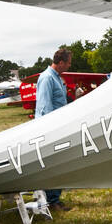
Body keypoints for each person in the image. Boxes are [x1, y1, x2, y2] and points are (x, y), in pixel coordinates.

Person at [36, 46, 72, 212]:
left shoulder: (57, 78)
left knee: (60, 163)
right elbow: (44, 108)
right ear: (61, 62)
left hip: (59, 126)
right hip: (50, 129)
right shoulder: (47, 78)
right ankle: (52, 200)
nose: (69, 66)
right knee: (53, 164)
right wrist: (50, 130)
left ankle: (54, 198)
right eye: (68, 63)